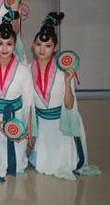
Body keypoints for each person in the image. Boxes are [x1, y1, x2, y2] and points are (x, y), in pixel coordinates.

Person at [29, 13, 100, 179]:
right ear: (33, 45)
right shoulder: (28, 69)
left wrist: (68, 82)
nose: (42, 49)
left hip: (62, 124)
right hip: (43, 126)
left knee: (63, 165)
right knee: (42, 166)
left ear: (55, 48)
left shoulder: (63, 72)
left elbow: (69, 105)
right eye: (39, 44)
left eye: (47, 45)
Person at [0, 12, 33, 180]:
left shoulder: (24, 71)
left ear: (15, 44)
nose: (4, 48)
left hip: (16, 120)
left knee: (18, 165)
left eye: (9, 44)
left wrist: (28, 129)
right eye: (0, 43)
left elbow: (28, 102)